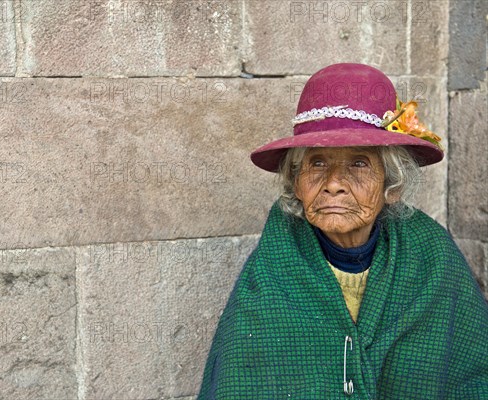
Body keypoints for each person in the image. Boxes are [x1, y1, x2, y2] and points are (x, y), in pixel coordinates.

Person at [197, 63, 488, 399]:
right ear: (297, 182)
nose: (334, 184)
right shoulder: (271, 273)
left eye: (359, 163)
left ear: (392, 185)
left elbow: (472, 377)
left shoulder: (432, 258)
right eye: (317, 163)